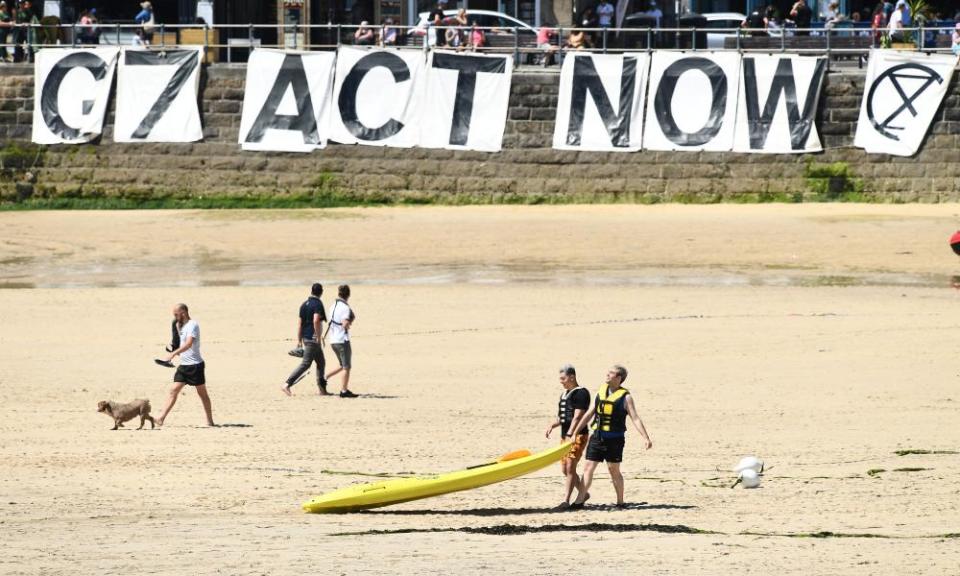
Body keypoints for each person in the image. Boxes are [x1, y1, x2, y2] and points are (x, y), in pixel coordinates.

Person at [570, 365, 652, 509]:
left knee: (613, 470)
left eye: (611, 373)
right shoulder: (601, 392)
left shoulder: (626, 398)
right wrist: (575, 432)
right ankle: (579, 501)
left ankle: (620, 502)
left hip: (615, 440)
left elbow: (635, 418)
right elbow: (590, 413)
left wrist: (646, 438)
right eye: (608, 372)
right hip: (597, 437)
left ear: (619, 378)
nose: (607, 374)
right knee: (588, 467)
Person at [156, 304, 215, 427]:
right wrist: (175, 349)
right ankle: (161, 418)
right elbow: (180, 342)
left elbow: (188, 344)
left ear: (183, 312)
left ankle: (210, 421)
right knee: (173, 390)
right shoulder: (179, 325)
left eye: (176, 314)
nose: (175, 317)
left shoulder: (193, 325)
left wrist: (173, 354)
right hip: (184, 366)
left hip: (195, 365)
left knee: (202, 394)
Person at [544, 364, 591, 508]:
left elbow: (578, 416)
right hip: (565, 436)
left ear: (572, 377)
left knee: (570, 467)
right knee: (565, 469)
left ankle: (566, 501)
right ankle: (584, 493)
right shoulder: (564, 394)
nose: (561, 381)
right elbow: (564, 416)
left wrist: (572, 433)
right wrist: (553, 425)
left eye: (563, 378)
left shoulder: (581, 393)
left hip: (578, 436)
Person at [282, 283, 330, 396]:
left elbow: (299, 324)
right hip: (313, 339)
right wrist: (318, 337)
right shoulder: (318, 304)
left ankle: (322, 389)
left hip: (306, 338)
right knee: (306, 364)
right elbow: (316, 320)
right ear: (321, 292)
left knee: (321, 363)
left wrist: (299, 340)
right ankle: (287, 384)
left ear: (312, 291)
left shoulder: (304, 304)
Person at [325, 284, 358, 398]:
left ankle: (324, 378)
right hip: (341, 340)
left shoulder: (332, 305)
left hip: (332, 339)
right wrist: (348, 325)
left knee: (342, 364)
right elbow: (344, 323)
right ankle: (344, 391)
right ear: (348, 294)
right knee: (346, 366)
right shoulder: (345, 308)